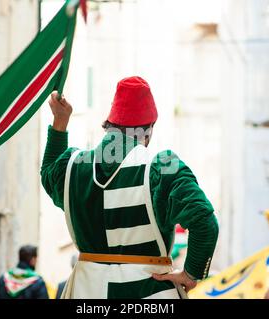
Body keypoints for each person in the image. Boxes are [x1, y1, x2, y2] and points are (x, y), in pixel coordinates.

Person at [41, 76, 219, 299]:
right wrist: (191, 273)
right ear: (149, 129)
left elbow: (48, 171)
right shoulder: (163, 166)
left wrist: (60, 122)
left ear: (109, 125)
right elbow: (205, 222)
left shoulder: (72, 167)